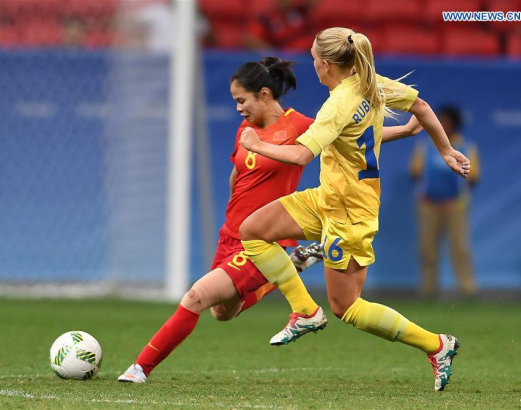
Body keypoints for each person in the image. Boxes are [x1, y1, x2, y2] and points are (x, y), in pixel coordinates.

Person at [117, 56, 422, 383]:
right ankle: (289, 266)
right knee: (222, 312)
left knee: (196, 297)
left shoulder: (298, 126)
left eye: (241, 100)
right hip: (230, 234)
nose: (238, 108)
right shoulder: (245, 129)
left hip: (261, 238)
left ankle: (139, 368)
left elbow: (352, 135)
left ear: (264, 94)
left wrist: (404, 130)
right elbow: (239, 172)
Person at [238, 27, 470, 392]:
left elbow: (301, 154)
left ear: (326, 64)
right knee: (252, 231)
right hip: (326, 198)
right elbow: (421, 107)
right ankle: (305, 311)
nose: (312, 64)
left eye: (314, 58)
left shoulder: (337, 103)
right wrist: (444, 149)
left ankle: (437, 345)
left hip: (350, 212)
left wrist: (256, 144)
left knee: (347, 307)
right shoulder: (369, 82)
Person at [410, 105, 480, 299]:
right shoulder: (424, 147)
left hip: (455, 206)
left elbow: (473, 178)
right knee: (427, 249)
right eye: (438, 121)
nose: (441, 125)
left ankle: (467, 290)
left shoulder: (466, 147)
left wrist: (455, 198)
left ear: (455, 124)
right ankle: (428, 289)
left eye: (445, 121)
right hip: (428, 205)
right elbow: (415, 174)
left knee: (459, 248)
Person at [244, 0, 319, 51]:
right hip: (280, 58)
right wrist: (272, 54)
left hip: (304, 57)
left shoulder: (302, 11)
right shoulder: (266, 17)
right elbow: (250, 39)